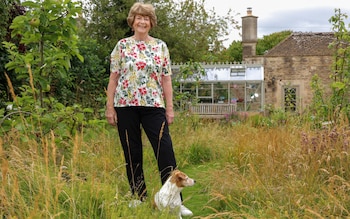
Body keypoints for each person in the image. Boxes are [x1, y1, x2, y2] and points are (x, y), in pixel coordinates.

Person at [105, 2, 193, 217]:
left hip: (154, 106)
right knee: (132, 151)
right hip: (125, 105)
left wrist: (170, 108)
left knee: (165, 152)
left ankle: (175, 201)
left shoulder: (161, 47)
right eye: (138, 18)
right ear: (132, 21)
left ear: (151, 23)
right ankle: (138, 196)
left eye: (146, 18)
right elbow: (114, 78)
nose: (142, 21)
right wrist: (110, 107)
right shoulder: (122, 46)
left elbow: (166, 80)